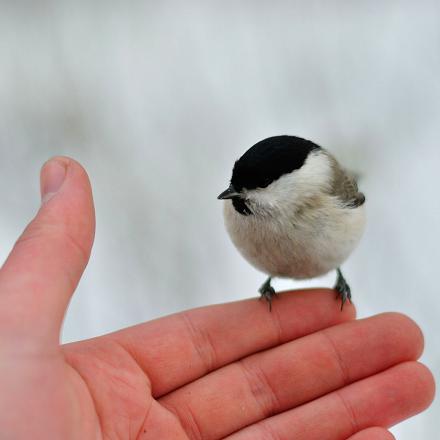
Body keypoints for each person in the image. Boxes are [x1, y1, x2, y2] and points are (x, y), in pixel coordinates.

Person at [0, 157, 434, 440]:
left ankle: (335, 278)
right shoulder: (240, 209)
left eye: (251, 188)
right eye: (234, 186)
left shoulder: (328, 190)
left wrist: (338, 276)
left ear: (287, 185)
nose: (234, 197)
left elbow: (353, 204)